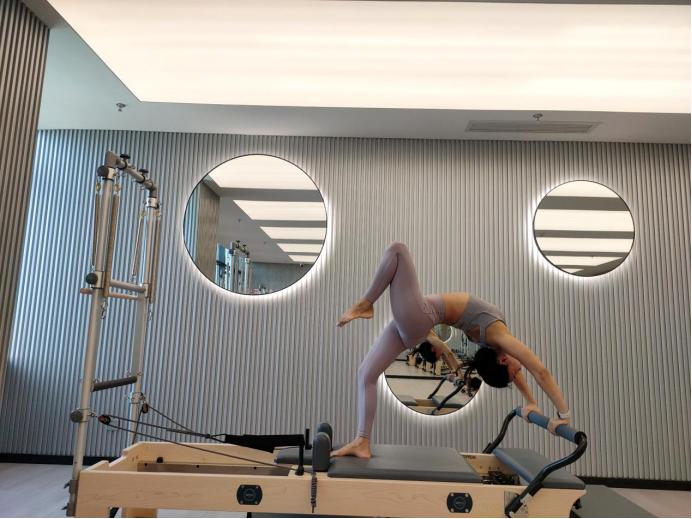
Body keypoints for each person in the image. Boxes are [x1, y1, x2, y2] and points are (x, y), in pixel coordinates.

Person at [333, 242, 571, 459]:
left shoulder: (499, 338)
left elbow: (541, 372)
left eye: (515, 372)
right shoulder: (497, 345)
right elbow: (522, 372)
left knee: (398, 251)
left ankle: (365, 303)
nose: (520, 372)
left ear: (502, 361)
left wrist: (564, 416)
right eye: (516, 372)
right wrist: (531, 402)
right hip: (413, 325)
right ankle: (362, 441)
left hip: (420, 317)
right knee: (365, 374)